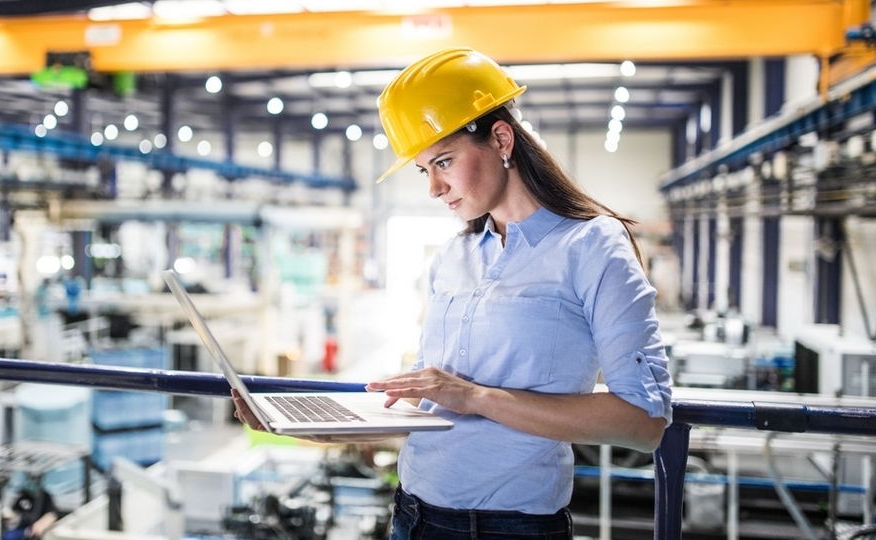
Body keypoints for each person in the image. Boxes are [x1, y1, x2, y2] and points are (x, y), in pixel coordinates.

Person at [234, 47, 673, 540]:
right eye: (424, 170)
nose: (435, 188)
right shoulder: (452, 258)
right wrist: (309, 425)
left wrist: (475, 397)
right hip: (412, 517)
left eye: (443, 161)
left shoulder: (591, 244)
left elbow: (642, 421)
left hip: (511, 528)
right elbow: (428, 407)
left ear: (502, 139)